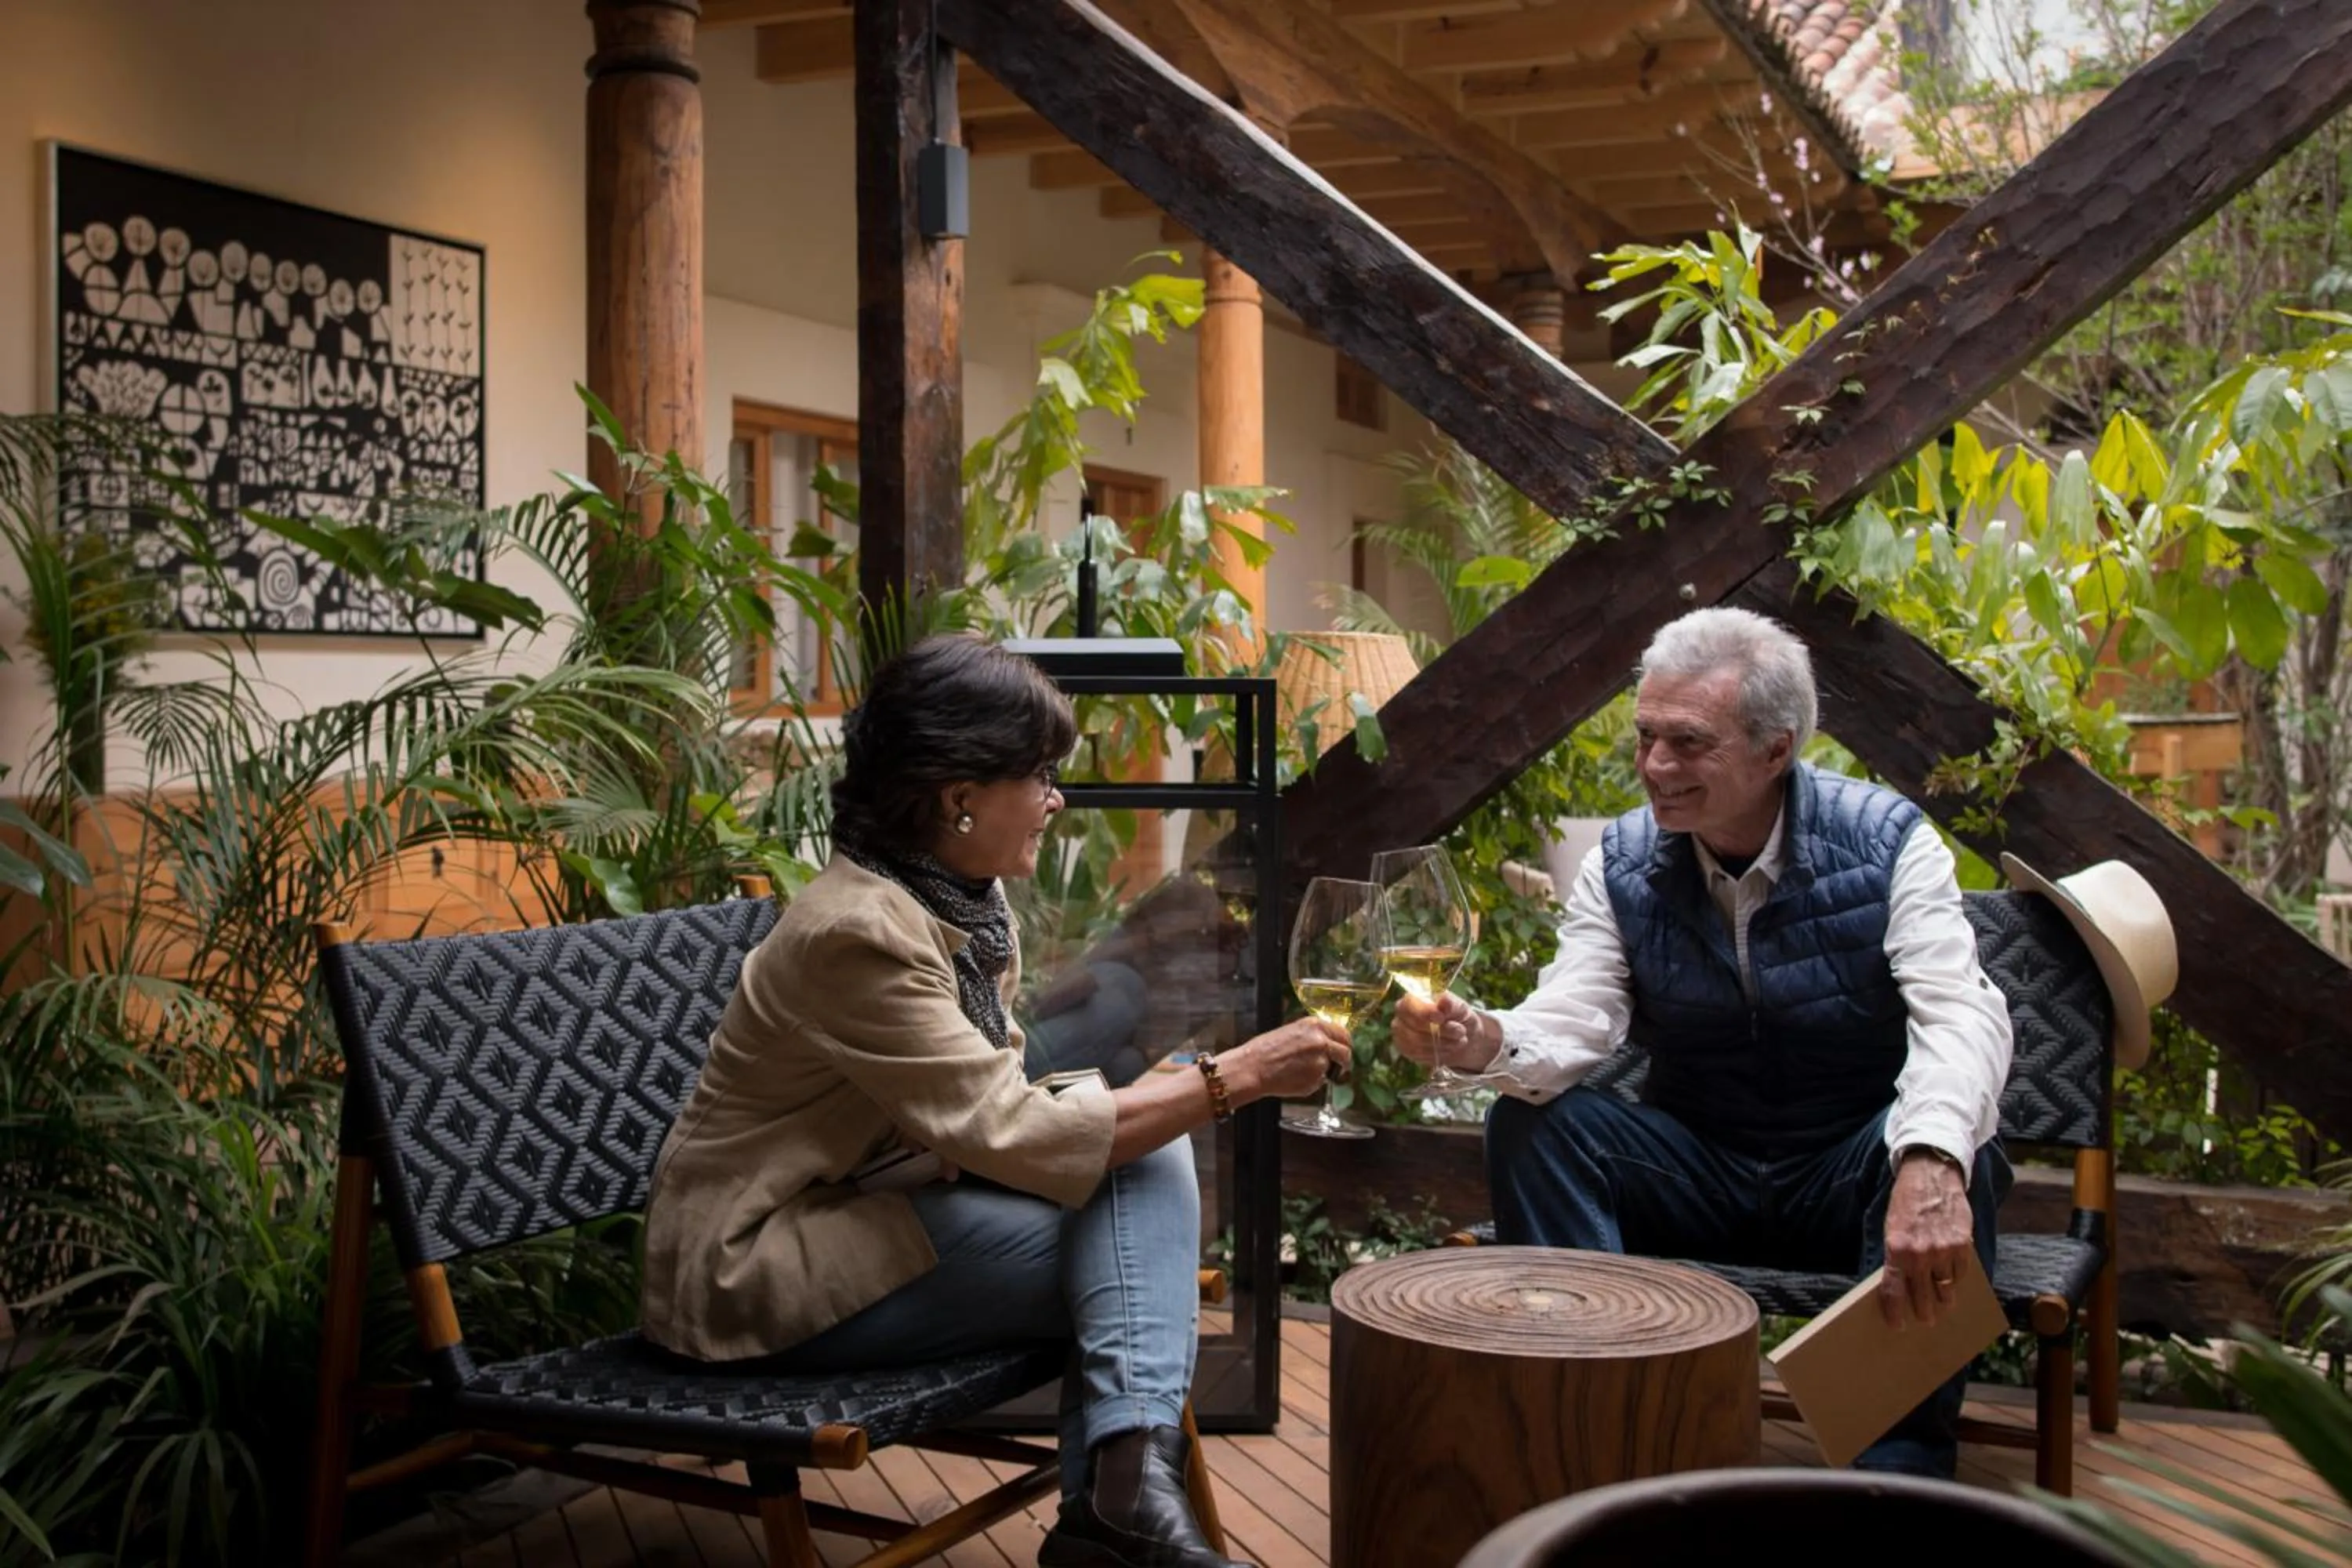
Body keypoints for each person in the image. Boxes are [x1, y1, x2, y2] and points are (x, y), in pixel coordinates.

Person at [642, 632, 1346, 1568]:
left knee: (1150, 1156)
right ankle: (1122, 1497)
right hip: (757, 1263)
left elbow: (990, 1101)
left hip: (876, 1205)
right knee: (1133, 1255)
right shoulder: (859, 932)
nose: (1057, 800)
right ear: (959, 794)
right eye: (1041, 776)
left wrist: (1182, 1090)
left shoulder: (955, 898)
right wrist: (1239, 1075)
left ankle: (1122, 1496)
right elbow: (1006, 1127)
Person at [1392, 606, 2015, 1479]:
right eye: (1646, 736)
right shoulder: (1624, 860)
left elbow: (1961, 1011)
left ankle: (1896, 1476)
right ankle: (1595, 1420)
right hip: (1700, 1169)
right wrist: (1479, 1036)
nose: (1654, 766)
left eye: (1687, 742)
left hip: (1849, 1171)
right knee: (1534, 1126)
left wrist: (1931, 1156)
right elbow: (1575, 1015)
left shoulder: (1889, 842)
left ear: (1776, 749)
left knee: (1960, 1158)